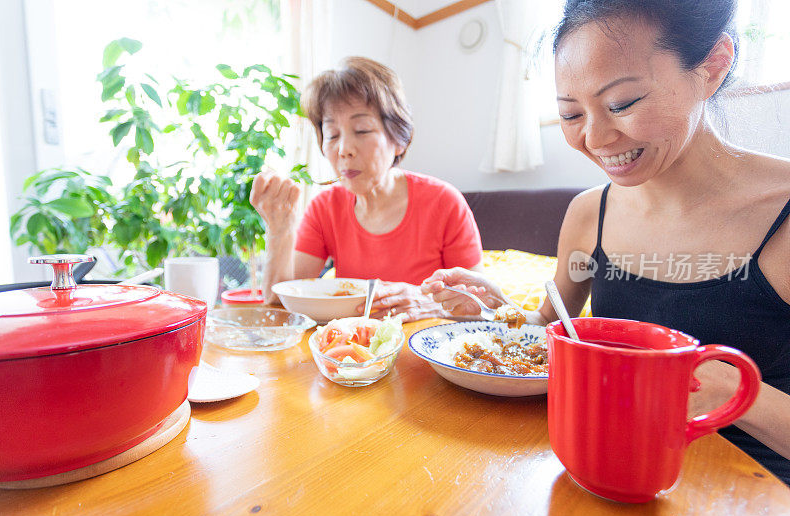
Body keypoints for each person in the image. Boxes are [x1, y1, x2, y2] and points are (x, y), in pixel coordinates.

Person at [423, 0, 790, 484]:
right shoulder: (586, 215)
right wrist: (495, 309)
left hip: (746, 500)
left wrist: (736, 393)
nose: (595, 138)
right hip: (605, 471)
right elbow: (555, 325)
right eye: (571, 114)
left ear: (713, 66)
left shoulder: (780, 216)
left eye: (622, 104)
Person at [250, 56, 483, 321]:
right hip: (349, 354)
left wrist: (428, 302)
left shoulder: (444, 202)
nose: (344, 150)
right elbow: (280, 301)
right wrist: (279, 227)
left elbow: (479, 306)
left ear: (399, 140)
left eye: (361, 130)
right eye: (332, 135)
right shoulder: (324, 207)